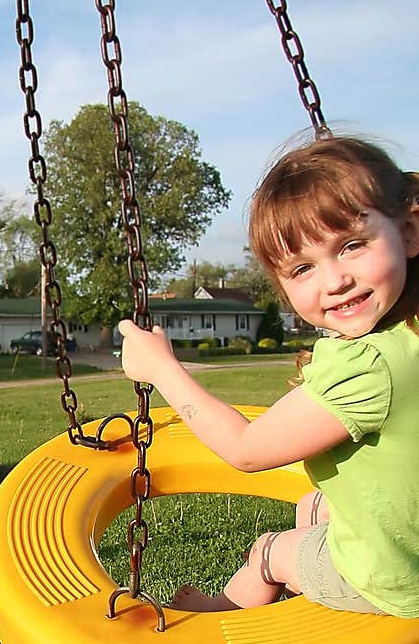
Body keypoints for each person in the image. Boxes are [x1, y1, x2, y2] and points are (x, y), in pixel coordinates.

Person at [118, 135, 419, 617]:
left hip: (395, 577)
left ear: (408, 232)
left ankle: (222, 610)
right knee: (310, 507)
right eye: (303, 268)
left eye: (352, 246)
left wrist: (162, 369)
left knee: (268, 550)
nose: (333, 280)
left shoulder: (368, 366)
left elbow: (247, 449)